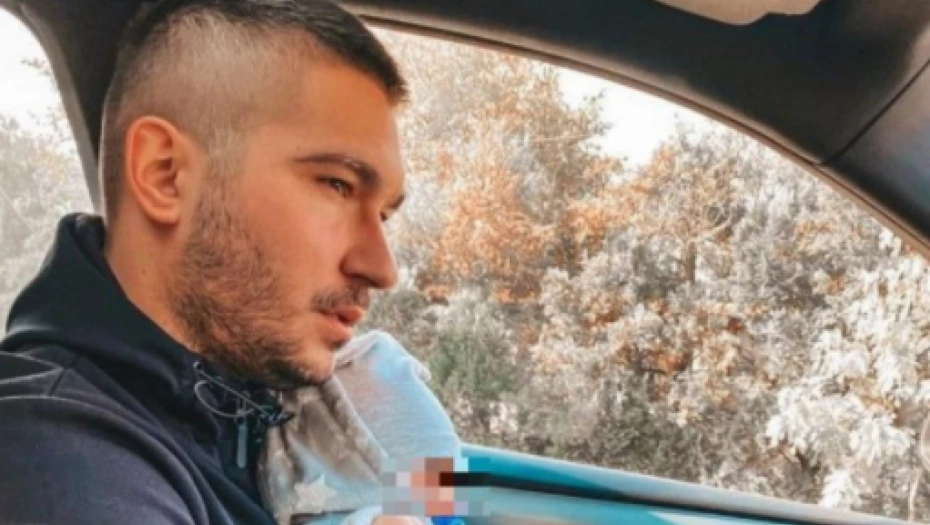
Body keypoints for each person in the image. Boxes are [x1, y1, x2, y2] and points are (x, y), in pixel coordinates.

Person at [0, 0, 422, 523]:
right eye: (337, 185)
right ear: (164, 174)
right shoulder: (61, 467)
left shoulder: (248, 403)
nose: (382, 268)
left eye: (384, 215)